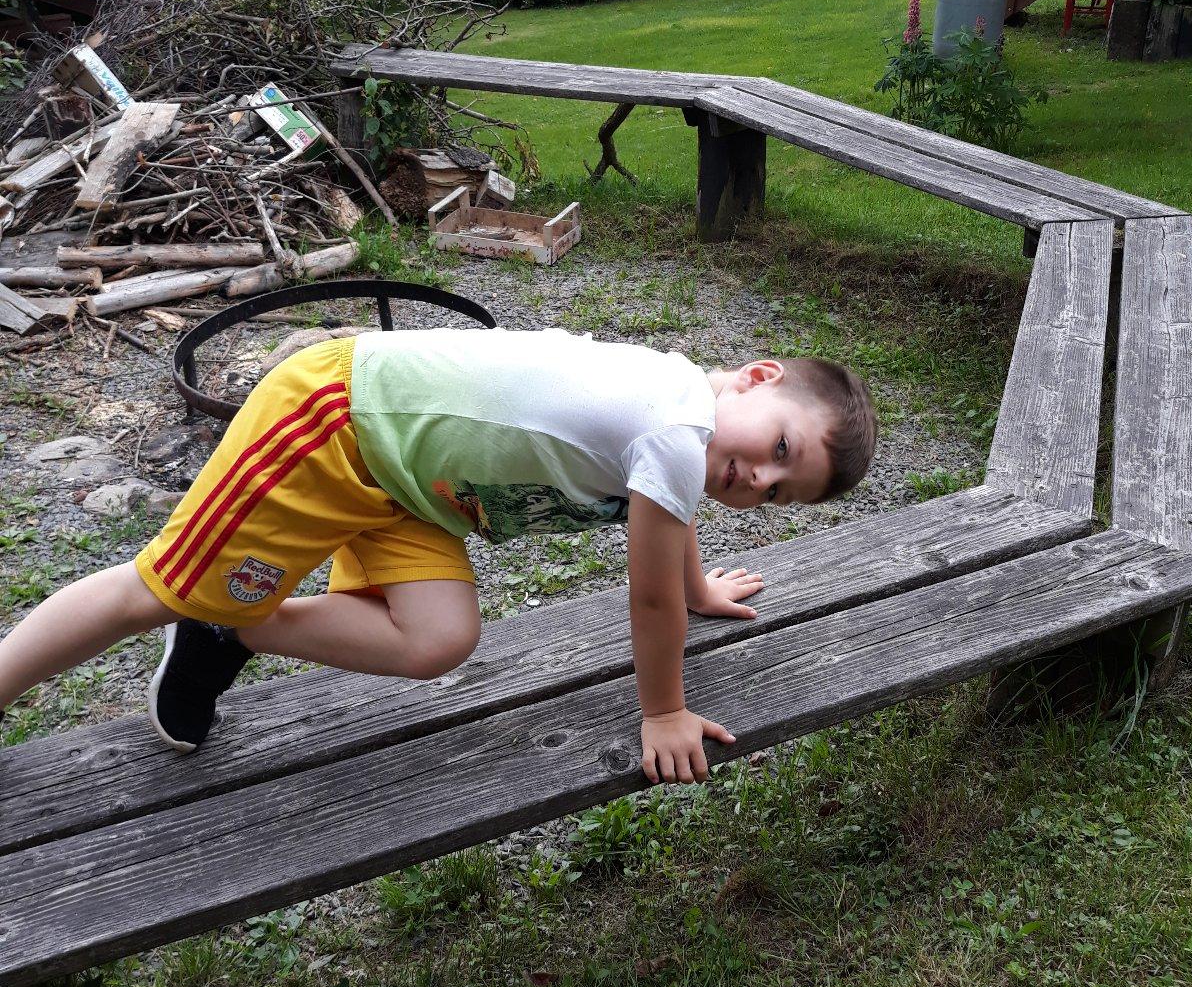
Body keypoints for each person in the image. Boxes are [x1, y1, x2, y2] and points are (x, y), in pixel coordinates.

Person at [0, 328, 876, 784]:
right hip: (334, 424)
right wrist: (664, 712)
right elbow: (645, 603)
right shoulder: (677, 427)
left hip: (407, 486)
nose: (758, 479)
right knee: (151, 590)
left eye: (775, 493)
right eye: (781, 449)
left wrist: (697, 589)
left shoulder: (686, 419)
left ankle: (229, 628)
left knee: (437, 640)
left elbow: (671, 529)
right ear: (759, 376)